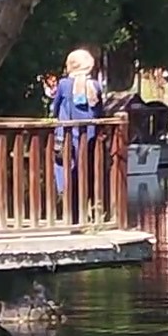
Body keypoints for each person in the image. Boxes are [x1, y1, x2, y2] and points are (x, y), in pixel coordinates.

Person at [52, 49, 104, 219]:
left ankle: (69, 210)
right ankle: (87, 211)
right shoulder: (95, 86)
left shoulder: (64, 85)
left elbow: (55, 107)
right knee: (86, 171)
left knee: (64, 169)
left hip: (66, 136)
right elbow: (100, 111)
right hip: (89, 137)